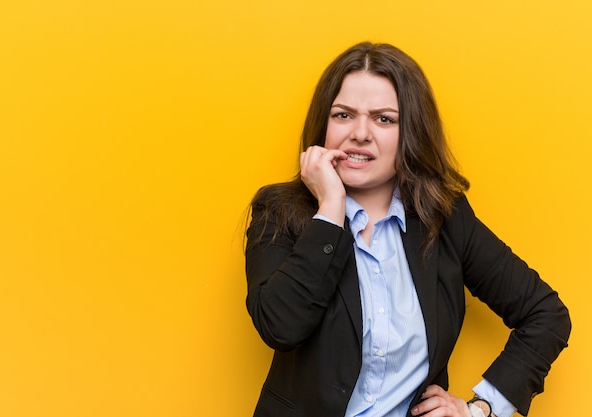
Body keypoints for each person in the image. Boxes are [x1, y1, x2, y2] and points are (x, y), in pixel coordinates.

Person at [244, 42, 570, 417]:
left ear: (410, 131)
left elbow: (546, 313)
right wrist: (330, 210)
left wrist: (480, 409)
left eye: (384, 119)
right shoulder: (279, 212)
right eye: (343, 115)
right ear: (323, 125)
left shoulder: (444, 219)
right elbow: (281, 326)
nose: (360, 134)